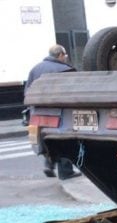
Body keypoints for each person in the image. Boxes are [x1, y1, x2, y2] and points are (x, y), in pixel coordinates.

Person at [25, 45, 80, 180]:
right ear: (60, 55)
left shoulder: (35, 69)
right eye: (65, 55)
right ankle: (65, 171)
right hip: (60, 111)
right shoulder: (66, 70)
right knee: (64, 139)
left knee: (48, 139)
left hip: (38, 111)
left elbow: (27, 91)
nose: (66, 57)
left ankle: (49, 165)